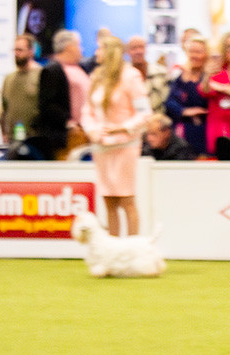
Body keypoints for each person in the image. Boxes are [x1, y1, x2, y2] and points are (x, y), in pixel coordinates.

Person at [81, 35, 151, 237]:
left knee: (127, 199)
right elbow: (87, 111)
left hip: (125, 146)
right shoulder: (96, 76)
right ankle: (112, 250)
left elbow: (144, 113)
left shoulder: (131, 76)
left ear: (110, 51)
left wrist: (121, 128)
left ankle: (133, 249)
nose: (96, 53)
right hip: (101, 146)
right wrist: (93, 131)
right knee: (108, 199)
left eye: (100, 49)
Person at [35, 29, 89, 160]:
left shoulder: (80, 68)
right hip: (66, 136)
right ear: (69, 47)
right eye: (78, 45)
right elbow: (47, 104)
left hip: (83, 132)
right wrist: (68, 123)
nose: (81, 49)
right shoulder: (52, 70)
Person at [165, 34, 210, 157]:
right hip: (182, 134)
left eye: (198, 52)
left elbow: (202, 100)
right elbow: (169, 102)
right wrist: (184, 111)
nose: (194, 56)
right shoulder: (180, 77)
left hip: (203, 132)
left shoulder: (210, 77)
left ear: (206, 54)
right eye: (191, 51)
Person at [1, 34, 41, 141]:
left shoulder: (41, 75)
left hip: (34, 138)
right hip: (12, 138)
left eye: (20, 50)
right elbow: (4, 109)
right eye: (14, 50)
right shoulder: (9, 78)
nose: (16, 53)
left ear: (31, 51)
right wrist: (4, 133)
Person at [126, 35, 169, 114]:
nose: (138, 51)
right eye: (134, 48)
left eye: (141, 47)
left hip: (156, 119)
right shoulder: (122, 75)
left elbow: (167, 101)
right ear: (127, 51)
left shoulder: (160, 72)